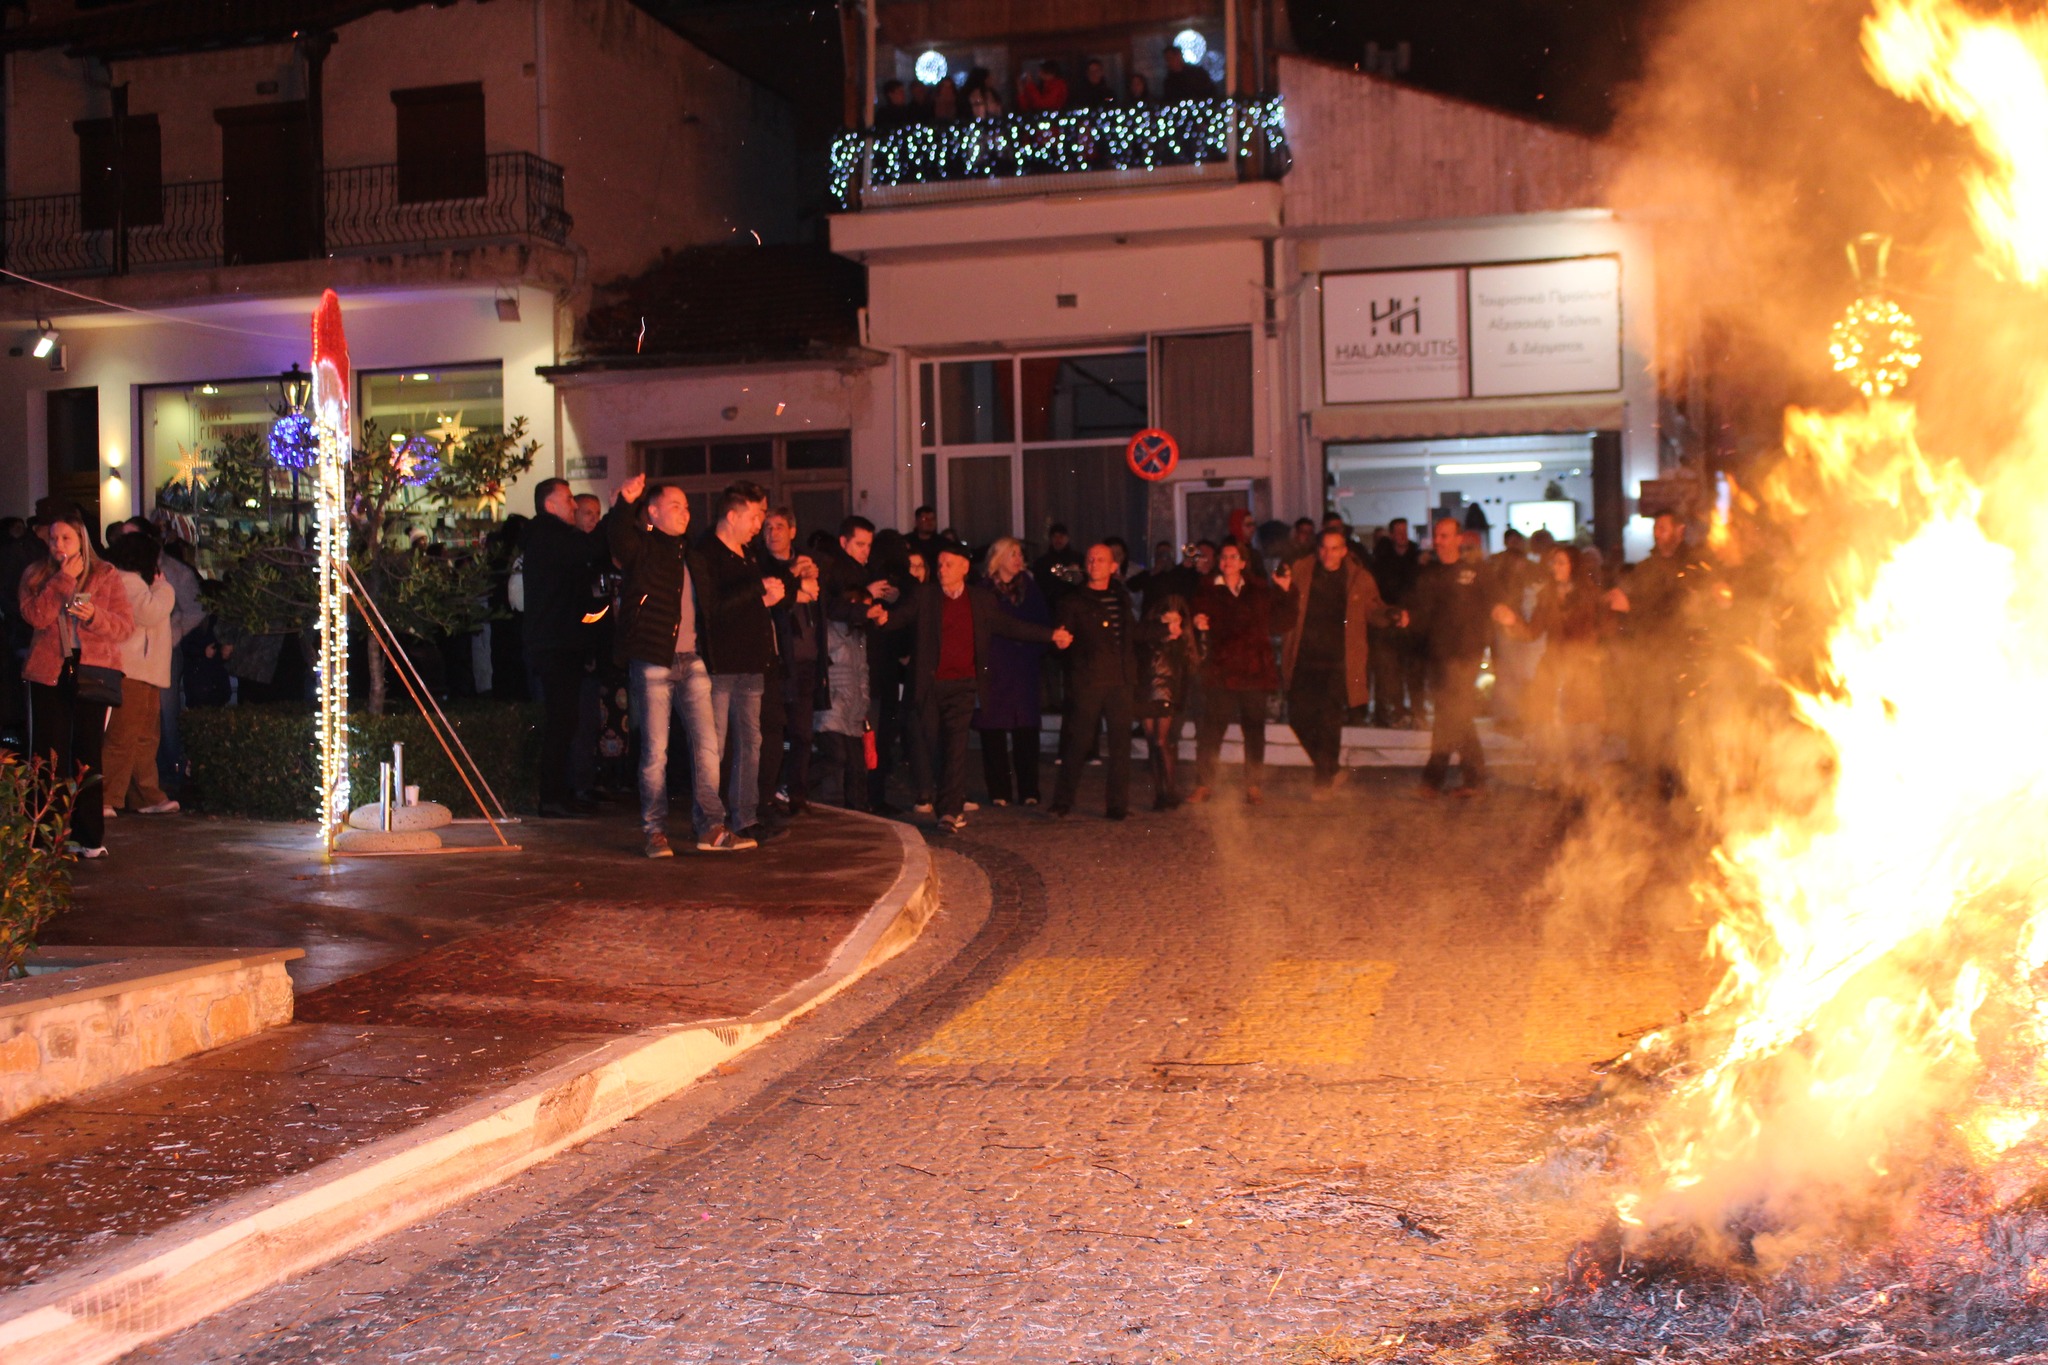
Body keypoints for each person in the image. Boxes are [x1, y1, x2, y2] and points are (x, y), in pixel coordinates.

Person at [604, 473, 752, 858]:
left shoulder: (692, 554)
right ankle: (654, 831)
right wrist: (625, 502)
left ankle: (712, 828)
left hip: (693, 660)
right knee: (656, 752)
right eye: (675, 506)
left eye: (687, 507)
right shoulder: (645, 548)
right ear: (653, 511)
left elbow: (712, 606)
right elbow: (619, 536)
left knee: (707, 747)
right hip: (653, 659)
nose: (684, 513)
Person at [903, 542, 1069, 833]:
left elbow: (1009, 625)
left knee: (956, 746)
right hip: (931, 685)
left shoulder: (978, 599)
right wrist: (878, 616)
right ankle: (946, 801)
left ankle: (949, 813)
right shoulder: (926, 596)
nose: (942, 570)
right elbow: (900, 619)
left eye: (948, 564)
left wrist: (1050, 635)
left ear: (965, 568)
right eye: (939, 564)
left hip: (964, 686)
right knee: (936, 746)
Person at [20, 510, 134, 858]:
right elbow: (34, 616)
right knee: (47, 754)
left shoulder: (104, 574)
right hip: (48, 672)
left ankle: (89, 836)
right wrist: (60, 583)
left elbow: (125, 627)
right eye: (53, 539)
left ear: (81, 539)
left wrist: (95, 617)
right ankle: (44, 835)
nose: (58, 546)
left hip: (93, 671)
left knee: (88, 753)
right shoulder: (38, 574)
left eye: (66, 538)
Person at [1050, 542, 1173, 819]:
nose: (1094, 564)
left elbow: (1134, 634)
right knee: (1078, 743)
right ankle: (1062, 801)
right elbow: (1062, 640)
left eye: (1100, 560)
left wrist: (1165, 629)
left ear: (1113, 567)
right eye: (1090, 559)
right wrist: (1060, 644)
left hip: (1120, 681)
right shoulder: (1074, 601)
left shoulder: (1120, 598)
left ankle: (1117, 805)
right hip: (1090, 682)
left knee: (1121, 746)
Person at [1280, 528, 1401, 798]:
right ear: (1317, 547)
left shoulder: (1359, 577)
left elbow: (1373, 609)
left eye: (1335, 548)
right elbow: (1283, 600)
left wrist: (1391, 614)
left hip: (1339, 660)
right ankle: (1330, 768)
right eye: (1324, 547)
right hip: (1305, 656)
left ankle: (1323, 779)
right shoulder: (1302, 570)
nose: (1328, 554)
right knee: (1298, 716)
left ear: (1344, 550)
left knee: (1329, 720)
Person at [698, 480, 785, 844]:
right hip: (722, 664)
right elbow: (713, 607)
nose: (758, 525)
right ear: (731, 516)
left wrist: (765, 597)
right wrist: (757, 591)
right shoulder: (706, 552)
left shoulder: (748, 554)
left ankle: (744, 816)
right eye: (753, 517)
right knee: (715, 745)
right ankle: (709, 820)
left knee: (751, 740)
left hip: (752, 662)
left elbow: (748, 603)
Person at [1498, 544, 1613, 787]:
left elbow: (1605, 630)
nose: (1555, 567)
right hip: (1552, 668)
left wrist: (1597, 654)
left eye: (1561, 562)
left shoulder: (1590, 595)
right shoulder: (1546, 595)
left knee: (1585, 727)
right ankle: (1549, 772)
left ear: (1573, 566)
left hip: (1581, 670)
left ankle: (1590, 779)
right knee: (1547, 724)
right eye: (1553, 562)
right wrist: (1512, 622)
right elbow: (1532, 632)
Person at [1409, 516, 1507, 797]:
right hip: (1438, 656)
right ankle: (1471, 778)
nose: (1439, 541)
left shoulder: (1475, 572)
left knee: (1453, 712)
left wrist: (1501, 611)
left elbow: (1495, 598)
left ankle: (1436, 778)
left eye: (1445, 536)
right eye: (1436, 536)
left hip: (1465, 655)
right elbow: (1419, 612)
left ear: (1459, 539)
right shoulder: (1430, 574)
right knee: (1452, 714)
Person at [522, 477, 602, 817]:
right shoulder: (548, 536)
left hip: (560, 642)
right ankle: (552, 796)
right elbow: (585, 552)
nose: (573, 506)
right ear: (550, 504)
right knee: (560, 721)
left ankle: (561, 792)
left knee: (566, 720)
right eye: (568, 500)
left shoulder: (552, 538)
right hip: (554, 645)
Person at [1191, 542, 1282, 803]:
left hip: (1253, 669)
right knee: (1212, 730)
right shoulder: (1208, 589)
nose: (1228, 561)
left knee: (1254, 729)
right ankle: (1204, 784)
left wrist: (1287, 592)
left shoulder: (1259, 590)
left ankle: (1254, 785)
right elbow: (1197, 612)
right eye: (1224, 556)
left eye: (1234, 557)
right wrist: (1198, 620)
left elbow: (1280, 620)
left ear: (1243, 563)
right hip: (1222, 669)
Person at [815, 516, 892, 811]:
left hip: (854, 680)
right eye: (860, 544)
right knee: (839, 755)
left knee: (854, 758)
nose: (865, 551)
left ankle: (859, 811)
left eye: (868, 545)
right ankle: (791, 791)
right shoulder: (836, 571)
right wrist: (865, 605)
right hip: (837, 679)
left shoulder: (858, 573)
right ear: (844, 542)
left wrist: (874, 611)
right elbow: (837, 609)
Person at [100, 532, 178, 819]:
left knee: (143, 736)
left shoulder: (129, 580)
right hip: (132, 669)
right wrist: (164, 588)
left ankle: (144, 794)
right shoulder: (128, 580)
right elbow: (150, 612)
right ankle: (106, 796)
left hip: (142, 670)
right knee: (124, 736)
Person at [975, 537, 1052, 808]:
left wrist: (1035, 650)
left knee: (1026, 731)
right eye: (1013, 554)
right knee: (993, 731)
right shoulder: (984, 590)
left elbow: (1042, 622)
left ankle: (1029, 789)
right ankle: (1000, 790)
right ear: (998, 559)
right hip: (995, 668)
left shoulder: (1029, 588)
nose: (1019, 559)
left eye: (1020, 554)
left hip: (1023, 666)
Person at [761, 507, 823, 817]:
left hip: (807, 662)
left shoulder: (809, 563)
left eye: (779, 527)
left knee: (803, 733)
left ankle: (797, 795)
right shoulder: (761, 567)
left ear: (793, 531)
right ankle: (767, 794)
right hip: (777, 662)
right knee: (771, 732)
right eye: (767, 527)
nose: (773, 533)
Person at [1371, 516, 1425, 727]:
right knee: (1391, 671)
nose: (1402, 535)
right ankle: (1397, 712)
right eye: (1398, 531)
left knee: (1415, 672)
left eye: (1405, 530)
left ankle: (1417, 712)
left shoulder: (1417, 557)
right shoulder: (1383, 560)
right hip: (1389, 622)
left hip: (1413, 621)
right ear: (1392, 534)